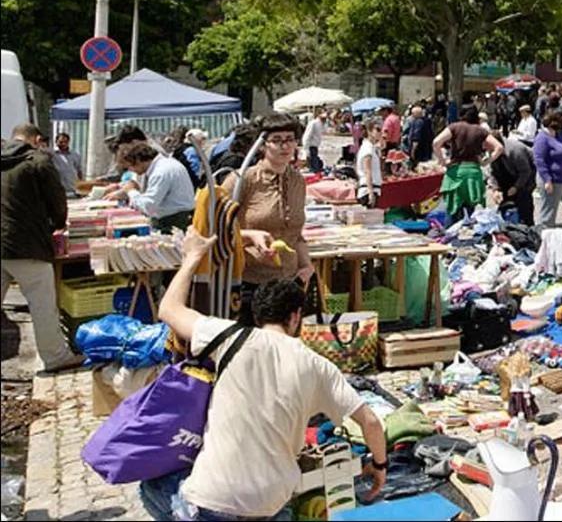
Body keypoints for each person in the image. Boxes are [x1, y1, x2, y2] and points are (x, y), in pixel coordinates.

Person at [140, 228, 387, 522]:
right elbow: (371, 422)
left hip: (213, 502)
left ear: (256, 316)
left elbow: (168, 309)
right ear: (296, 317)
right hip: (271, 504)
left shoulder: (229, 336)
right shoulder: (319, 365)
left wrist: (192, 257)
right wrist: (379, 466)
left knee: (150, 486)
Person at [1, 124, 83, 374]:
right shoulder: (38, 160)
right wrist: (58, 223)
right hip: (28, 244)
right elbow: (56, 199)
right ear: (37, 139)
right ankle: (55, 356)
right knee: (42, 305)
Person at [230, 114, 315, 322]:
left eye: (290, 139)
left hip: (289, 282)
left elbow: (296, 233)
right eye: (276, 140)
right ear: (262, 145)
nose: (284, 146)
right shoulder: (242, 180)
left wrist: (307, 266)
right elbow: (213, 229)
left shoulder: (297, 181)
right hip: (249, 283)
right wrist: (250, 235)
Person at [434, 105, 504, 223]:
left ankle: (449, 236)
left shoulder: (454, 127)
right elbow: (499, 147)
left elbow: (436, 142)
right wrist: (487, 161)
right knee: (471, 212)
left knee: (452, 209)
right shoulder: (481, 130)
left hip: (456, 171)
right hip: (473, 172)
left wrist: (442, 161)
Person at [118, 142, 198, 232]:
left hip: (173, 221)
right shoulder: (166, 164)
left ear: (139, 161)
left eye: (131, 167)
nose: (132, 171)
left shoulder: (160, 172)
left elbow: (148, 206)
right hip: (177, 217)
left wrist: (131, 191)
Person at [490, 134, 537, 225]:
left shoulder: (515, 150)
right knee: (506, 210)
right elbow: (492, 173)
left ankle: (528, 228)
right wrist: (495, 189)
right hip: (507, 177)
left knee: (524, 210)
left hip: (525, 179)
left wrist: (516, 187)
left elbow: (525, 172)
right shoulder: (492, 151)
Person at [356, 118, 384, 208]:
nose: (380, 133)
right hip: (368, 190)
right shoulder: (367, 148)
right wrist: (370, 192)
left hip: (374, 188)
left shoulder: (372, 147)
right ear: (369, 131)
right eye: (378, 130)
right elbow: (367, 171)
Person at [50, 130, 82, 195]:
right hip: (57, 189)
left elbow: (79, 171)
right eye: (61, 142)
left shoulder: (75, 155)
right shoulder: (51, 155)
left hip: (72, 188)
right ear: (56, 142)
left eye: (66, 142)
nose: (63, 144)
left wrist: (80, 185)